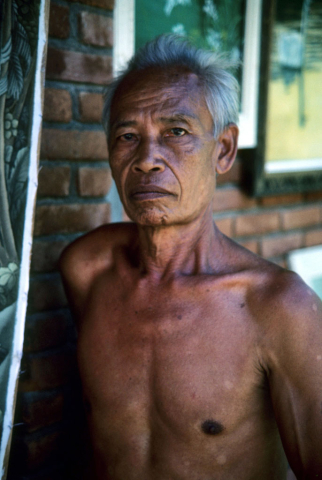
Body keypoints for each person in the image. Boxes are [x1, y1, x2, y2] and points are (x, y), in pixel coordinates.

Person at [60, 35, 322, 479]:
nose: (146, 160)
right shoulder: (88, 269)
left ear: (223, 150)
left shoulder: (279, 307)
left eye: (176, 132)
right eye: (127, 136)